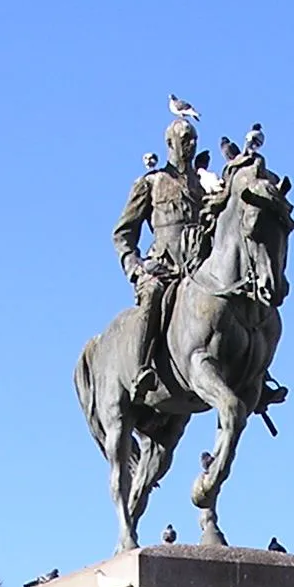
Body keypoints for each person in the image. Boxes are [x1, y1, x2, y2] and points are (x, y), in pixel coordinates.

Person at [112, 118, 210, 404]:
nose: (191, 145)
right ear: (170, 144)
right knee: (153, 294)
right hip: (162, 268)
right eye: (185, 139)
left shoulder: (203, 184)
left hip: (197, 269)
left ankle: (254, 377)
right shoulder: (151, 183)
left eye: (194, 139)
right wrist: (135, 267)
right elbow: (122, 233)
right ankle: (141, 369)